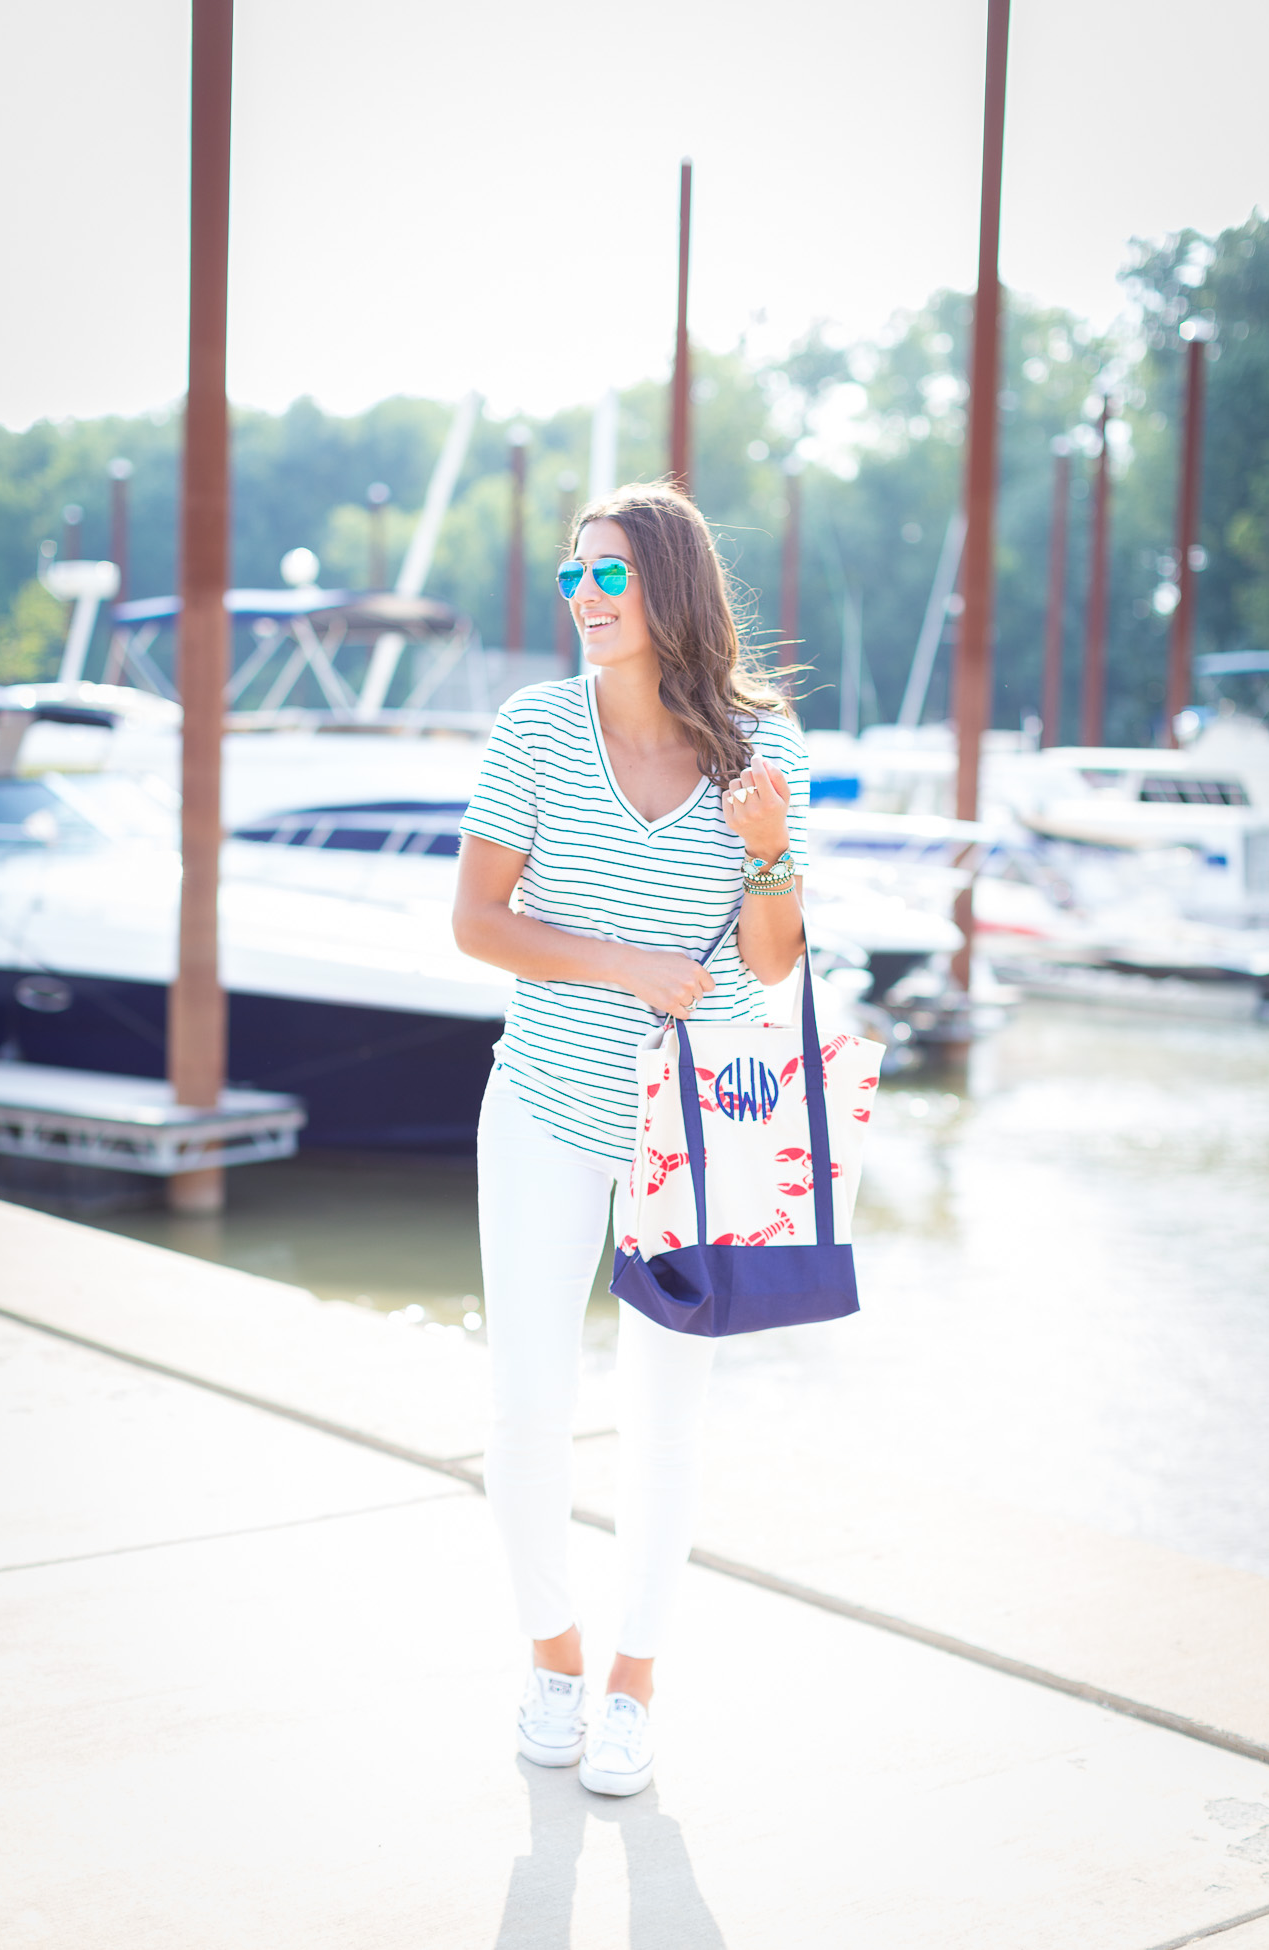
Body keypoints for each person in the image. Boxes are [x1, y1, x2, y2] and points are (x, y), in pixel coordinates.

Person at [452, 480, 808, 1795]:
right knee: (529, 1402)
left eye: (612, 576)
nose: (588, 599)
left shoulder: (760, 743)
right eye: (574, 577)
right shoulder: (535, 728)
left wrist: (768, 851)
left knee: (667, 1418)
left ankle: (634, 1685)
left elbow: (775, 961)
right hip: (544, 1102)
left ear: (672, 588)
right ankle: (554, 1658)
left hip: (699, 1129)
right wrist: (621, 962)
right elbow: (479, 921)